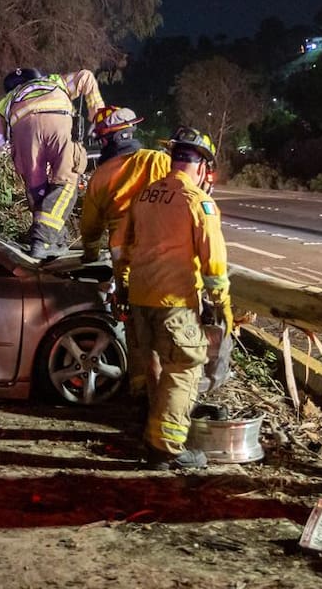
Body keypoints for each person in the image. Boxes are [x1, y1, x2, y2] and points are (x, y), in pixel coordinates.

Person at [124, 126, 233, 470]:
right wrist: (222, 305)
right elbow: (214, 264)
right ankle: (167, 448)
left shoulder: (145, 196)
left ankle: (149, 432)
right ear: (201, 167)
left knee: (153, 366)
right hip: (175, 303)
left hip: (140, 298)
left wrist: (121, 282)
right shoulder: (198, 202)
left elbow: (123, 243)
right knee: (183, 369)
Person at [0, 67, 104, 259]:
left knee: (37, 193)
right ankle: (44, 240)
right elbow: (85, 76)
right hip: (56, 122)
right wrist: (98, 117)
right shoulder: (55, 81)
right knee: (66, 182)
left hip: (24, 135)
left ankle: (52, 239)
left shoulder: (8, 101)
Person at [79, 106, 172, 396]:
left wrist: (91, 256)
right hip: (169, 267)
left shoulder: (101, 176)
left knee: (138, 338)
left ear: (107, 140)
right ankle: (169, 399)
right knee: (170, 339)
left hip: (130, 273)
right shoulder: (159, 161)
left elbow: (90, 229)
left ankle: (141, 398)